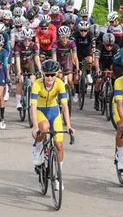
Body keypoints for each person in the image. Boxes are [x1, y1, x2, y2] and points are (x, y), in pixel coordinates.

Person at [31, 59, 75, 190]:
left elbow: (65, 106)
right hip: (40, 111)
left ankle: (57, 176)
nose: (50, 77)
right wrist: (34, 126)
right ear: (43, 74)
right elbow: (33, 106)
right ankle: (38, 148)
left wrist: (68, 125)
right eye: (47, 74)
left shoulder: (60, 84)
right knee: (43, 128)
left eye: (52, 75)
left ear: (57, 75)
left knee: (59, 145)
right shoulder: (37, 84)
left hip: (54, 112)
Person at [15, 28, 42, 109]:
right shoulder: (18, 46)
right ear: (22, 39)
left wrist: (40, 69)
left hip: (29, 63)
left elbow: (37, 59)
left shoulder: (34, 45)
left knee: (33, 80)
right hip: (20, 64)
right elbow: (17, 60)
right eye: (25, 40)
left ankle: (33, 99)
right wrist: (19, 72)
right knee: (20, 81)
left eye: (29, 40)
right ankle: (18, 102)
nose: (27, 41)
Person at [93, 33, 120, 110]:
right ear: (104, 43)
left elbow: (118, 61)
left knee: (114, 74)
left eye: (111, 45)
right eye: (107, 45)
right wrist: (98, 69)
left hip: (112, 63)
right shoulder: (99, 47)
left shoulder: (116, 47)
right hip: (102, 63)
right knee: (99, 80)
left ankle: (113, 92)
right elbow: (96, 60)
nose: (109, 47)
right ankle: (96, 100)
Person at [52, 26, 79, 100]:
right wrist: (56, 69)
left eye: (66, 37)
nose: (65, 39)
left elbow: (75, 57)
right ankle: (59, 92)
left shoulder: (72, 43)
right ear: (59, 37)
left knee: (70, 80)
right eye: (63, 37)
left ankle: (71, 89)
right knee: (59, 76)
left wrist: (77, 68)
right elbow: (54, 58)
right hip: (58, 60)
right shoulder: (55, 44)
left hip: (67, 60)